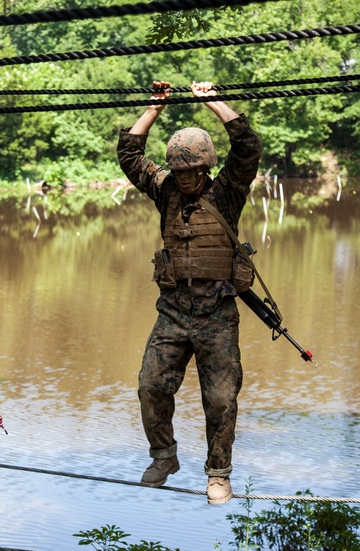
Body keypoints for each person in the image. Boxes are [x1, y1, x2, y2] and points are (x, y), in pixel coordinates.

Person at [117, 80, 262, 505]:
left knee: (220, 398)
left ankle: (218, 473)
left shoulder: (227, 192)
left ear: (205, 169)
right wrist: (153, 107)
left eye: (190, 172)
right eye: (178, 172)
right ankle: (164, 456)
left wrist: (213, 102)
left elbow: (248, 148)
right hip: (174, 311)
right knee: (151, 386)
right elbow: (129, 157)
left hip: (218, 312)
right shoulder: (165, 192)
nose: (183, 179)